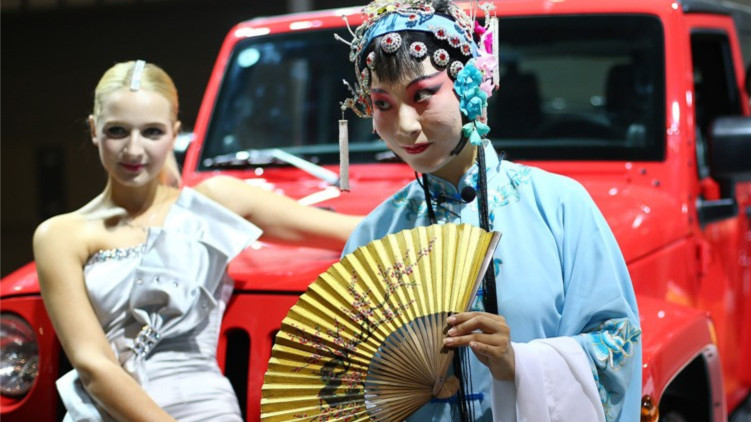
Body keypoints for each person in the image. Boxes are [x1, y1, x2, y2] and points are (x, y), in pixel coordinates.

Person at [337, 1, 641, 421]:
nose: (405, 125)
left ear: (471, 86)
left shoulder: (560, 206)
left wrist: (518, 364)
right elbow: (343, 385)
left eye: (422, 94)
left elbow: (617, 342)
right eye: (383, 103)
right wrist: (389, 388)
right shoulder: (373, 235)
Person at [33, 60, 362, 422]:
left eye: (152, 132)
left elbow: (359, 233)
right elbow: (93, 364)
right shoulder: (61, 235)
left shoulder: (213, 203)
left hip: (205, 408)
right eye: (117, 131)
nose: (134, 150)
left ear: (175, 134)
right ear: (94, 130)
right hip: (107, 412)